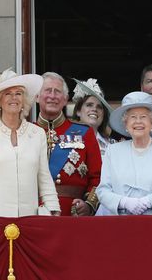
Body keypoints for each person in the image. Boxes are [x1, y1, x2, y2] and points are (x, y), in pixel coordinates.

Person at [96, 91, 152, 215]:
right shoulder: (113, 151)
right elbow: (102, 191)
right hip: (119, 223)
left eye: (144, 117)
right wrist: (124, 202)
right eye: (132, 117)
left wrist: (149, 202)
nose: (138, 121)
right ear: (126, 125)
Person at [36, 72, 102, 216]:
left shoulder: (84, 133)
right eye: (47, 90)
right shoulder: (27, 132)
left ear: (65, 99)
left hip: (71, 214)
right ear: (37, 96)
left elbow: (98, 177)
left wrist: (89, 205)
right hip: (32, 211)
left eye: (57, 92)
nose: (52, 96)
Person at [0, 68, 60, 217]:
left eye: (18, 93)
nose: (14, 98)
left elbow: (44, 176)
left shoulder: (37, 133)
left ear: (24, 100)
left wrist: (53, 208)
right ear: (0, 100)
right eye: (8, 94)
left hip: (29, 218)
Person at [71, 78, 115, 156]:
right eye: (89, 105)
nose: (94, 109)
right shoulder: (66, 140)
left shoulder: (113, 145)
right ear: (78, 111)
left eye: (99, 107)